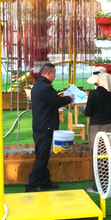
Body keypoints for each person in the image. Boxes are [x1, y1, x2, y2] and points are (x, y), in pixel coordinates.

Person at [27, 63, 74, 192]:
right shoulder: (45, 88)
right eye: (54, 74)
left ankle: (45, 182)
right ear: (48, 73)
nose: (55, 76)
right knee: (42, 157)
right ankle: (31, 185)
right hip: (45, 126)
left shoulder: (38, 85)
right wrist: (69, 98)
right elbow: (56, 101)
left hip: (40, 125)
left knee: (42, 156)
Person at [83, 67, 111, 194]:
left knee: (96, 155)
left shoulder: (93, 94)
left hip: (95, 127)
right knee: (110, 155)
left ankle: (97, 185)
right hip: (110, 126)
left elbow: (88, 112)